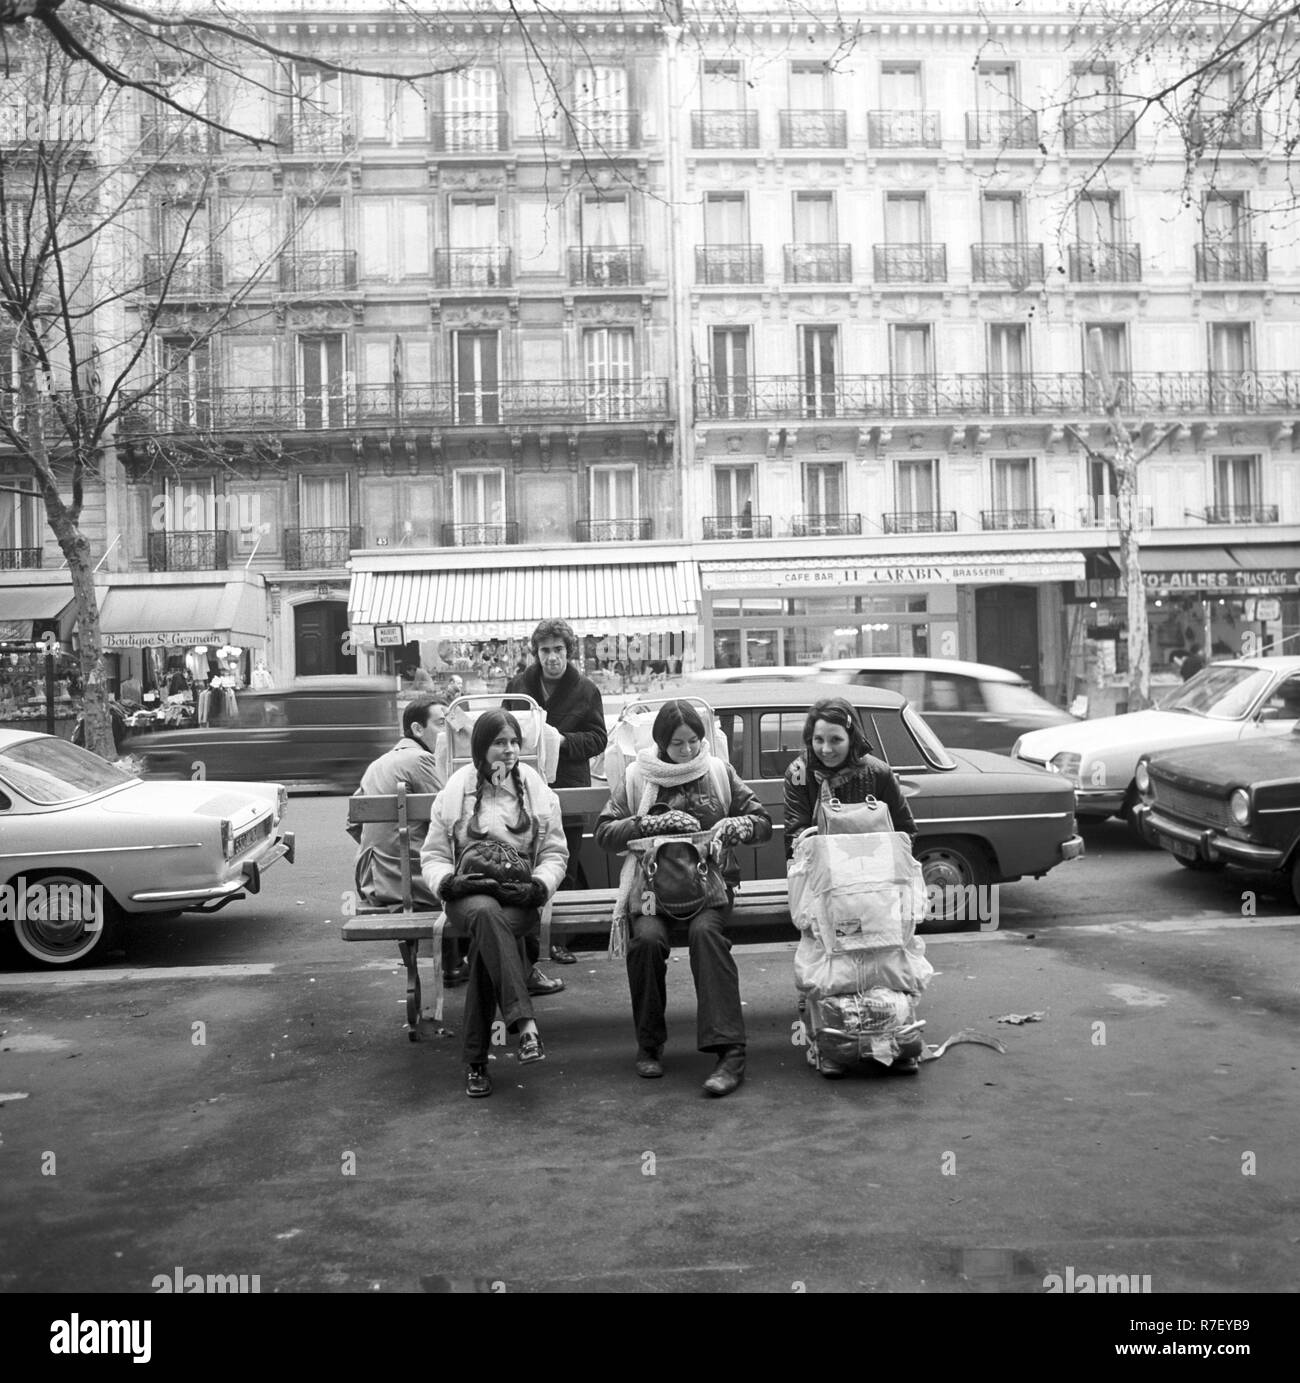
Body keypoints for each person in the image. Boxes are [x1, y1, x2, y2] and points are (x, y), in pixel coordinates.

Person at [594, 699, 772, 1097]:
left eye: (694, 741)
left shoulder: (718, 771)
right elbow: (604, 832)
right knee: (647, 941)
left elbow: (764, 823)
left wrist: (739, 825)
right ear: (661, 743)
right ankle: (649, 1043)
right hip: (653, 890)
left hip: (711, 888)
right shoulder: (639, 776)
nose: (689, 750)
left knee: (706, 936)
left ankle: (730, 1053)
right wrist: (648, 823)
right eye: (678, 744)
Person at [420, 709, 568, 1099]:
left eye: (514, 742)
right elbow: (433, 855)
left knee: (490, 939)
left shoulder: (534, 787)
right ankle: (526, 1027)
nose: (508, 750)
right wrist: (448, 882)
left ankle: (476, 1063)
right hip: (467, 896)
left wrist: (539, 887)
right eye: (499, 743)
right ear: (481, 748)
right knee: (485, 914)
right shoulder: (457, 788)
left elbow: (555, 853)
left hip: (519, 898)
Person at [782, 697, 919, 1076]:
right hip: (823, 884)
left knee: (882, 962)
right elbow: (794, 834)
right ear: (809, 738)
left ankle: (893, 1039)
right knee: (829, 965)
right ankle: (827, 1044)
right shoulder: (799, 774)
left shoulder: (878, 773)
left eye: (836, 740)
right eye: (819, 740)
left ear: (851, 736)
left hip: (875, 886)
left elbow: (906, 831)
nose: (826, 749)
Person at [347, 693, 472, 986]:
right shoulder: (422, 759)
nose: (449, 732)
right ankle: (459, 964)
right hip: (410, 883)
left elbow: (353, 822)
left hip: (371, 879)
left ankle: (454, 962)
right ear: (418, 729)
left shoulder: (379, 763)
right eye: (442, 724)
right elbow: (453, 819)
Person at [506, 617, 608, 968]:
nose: (553, 657)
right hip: (525, 785)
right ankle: (528, 939)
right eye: (546, 650)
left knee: (565, 861)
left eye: (559, 650)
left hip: (569, 785)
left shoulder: (586, 689)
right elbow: (504, 731)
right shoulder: (518, 686)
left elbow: (599, 739)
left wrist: (562, 743)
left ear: (569, 652)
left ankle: (560, 940)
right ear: (536, 653)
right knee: (526, 860)